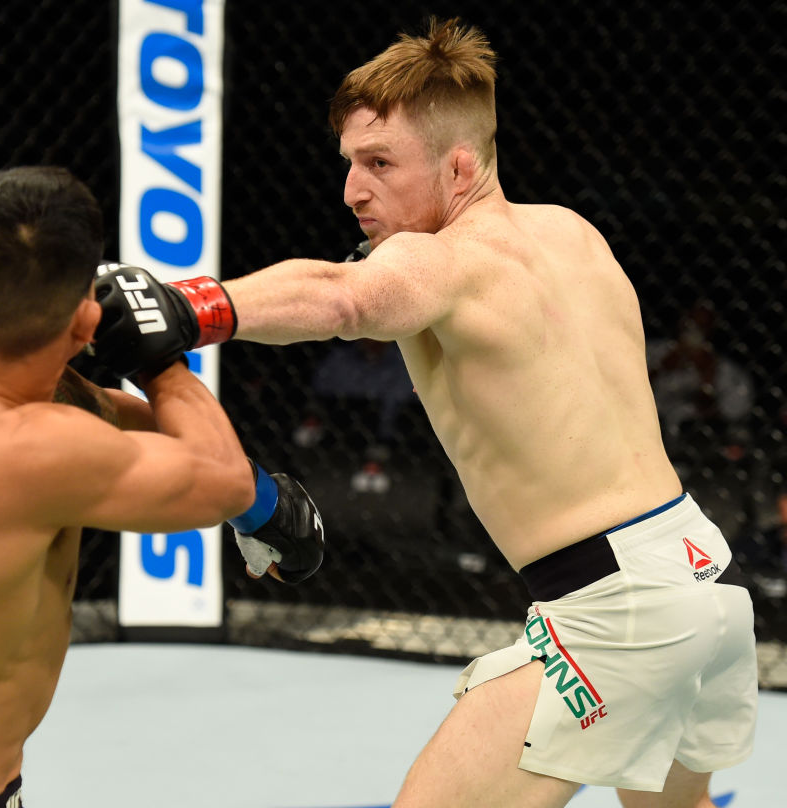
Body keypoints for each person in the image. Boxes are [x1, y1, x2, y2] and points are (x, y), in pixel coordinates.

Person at [93, 18, 757, 808]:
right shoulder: (574, 235)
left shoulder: (441, 260)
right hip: (704, 575)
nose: (353, 190)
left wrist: (187, 306)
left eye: (380, 163)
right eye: (349, 164)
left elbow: (345, 296)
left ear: (460, 166)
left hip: (617, 609)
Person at [0, 166, 323, 807]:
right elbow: (217, 479)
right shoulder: (27, 452)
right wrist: (159, 356)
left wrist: (259, 499)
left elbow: (132, 423)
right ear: (82, 327)